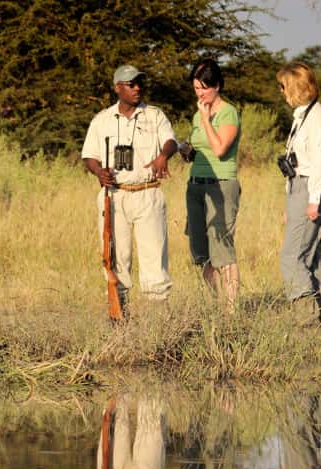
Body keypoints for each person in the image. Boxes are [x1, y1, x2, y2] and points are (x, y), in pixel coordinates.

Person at [82, 64, 178, 315]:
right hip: (115, 195)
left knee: (154, 256)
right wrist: (98, 171)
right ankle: (119, 317)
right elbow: (89, 155)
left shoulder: (154, 115)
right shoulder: (101, 120)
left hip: (147, 192)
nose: (137, 88)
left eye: (139, 83)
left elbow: (170, 141)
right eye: (131, 84)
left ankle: (159, 321)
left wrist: (163, 156)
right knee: (116, 258)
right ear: (118, 88)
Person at [276, 62, 321, 326]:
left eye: (283, 86)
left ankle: (307, 319)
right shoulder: (302, 115)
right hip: (299, 187)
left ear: (295, 87)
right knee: (310, 255)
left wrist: (313, 201)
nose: (281, 91)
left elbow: (320, 164)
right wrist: (290, 203)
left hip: (312, 188)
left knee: (292, 256)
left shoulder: (318, 119)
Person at [179, 59, 242, 308]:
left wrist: (206, 119)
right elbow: (201, 149)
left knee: (223, 250)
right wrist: (187, 151)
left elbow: (219, 149)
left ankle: (231, 310)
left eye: (204, 88)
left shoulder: (228, 112)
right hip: (196, 184)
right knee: (201, 251)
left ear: (217, 85)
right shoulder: (197, 115)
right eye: (196, 88)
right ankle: (215, 305)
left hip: (221, 185)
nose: (200, 93)